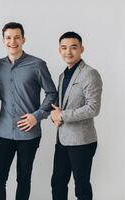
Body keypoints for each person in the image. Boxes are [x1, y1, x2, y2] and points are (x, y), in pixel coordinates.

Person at [0, 22, 58, 200]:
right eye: (8, 37)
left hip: (29, 134)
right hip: (3, 131)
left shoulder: (37, 64)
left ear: (23, 39)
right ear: (3, 40)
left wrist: (37, 116)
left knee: (23, 179)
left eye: (16, 37)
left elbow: (52, 93)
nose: (12, 41)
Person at [50, 31, 102, 200]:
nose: (68, 52)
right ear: (59, 50)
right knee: (57, 183)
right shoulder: (62, 75)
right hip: (62, 139)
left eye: (73, 47)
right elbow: (59, 106)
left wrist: (62, 115)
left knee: (82, 188)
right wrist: (54, 115)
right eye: (64, 48)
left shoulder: (90, 73)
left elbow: (93, 108)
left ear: (82, 49)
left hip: (82, 141)